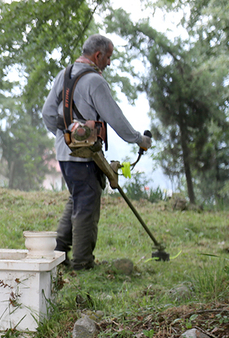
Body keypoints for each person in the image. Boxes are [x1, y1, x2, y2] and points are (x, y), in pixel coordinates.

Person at [42, 34, 152, 271]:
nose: (109, 63)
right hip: (85, 156)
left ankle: (58, 252)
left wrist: (65, 137)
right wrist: (138, 139)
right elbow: (115, 118)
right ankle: (82, 262)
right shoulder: (95, 81)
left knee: (78, 198)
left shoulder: (64, 75)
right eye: (108, 57)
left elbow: (48, 113)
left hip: (64, 153)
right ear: (98, 55)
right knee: (87, 205)